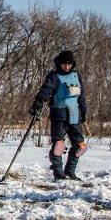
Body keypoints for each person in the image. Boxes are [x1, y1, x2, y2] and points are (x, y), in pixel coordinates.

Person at [30, 50, 88, 181]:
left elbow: (81, 96)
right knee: (59, 145)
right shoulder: (54, 76)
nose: (66, 67)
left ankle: (70, 171)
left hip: (74, 115)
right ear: (59, 63)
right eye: (64, 64)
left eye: (69, 64)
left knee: (80, 146)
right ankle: (58, 172)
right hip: (59, 114)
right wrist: (39, 101)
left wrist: (83, 112)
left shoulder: (76, 76)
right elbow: (46, 90)